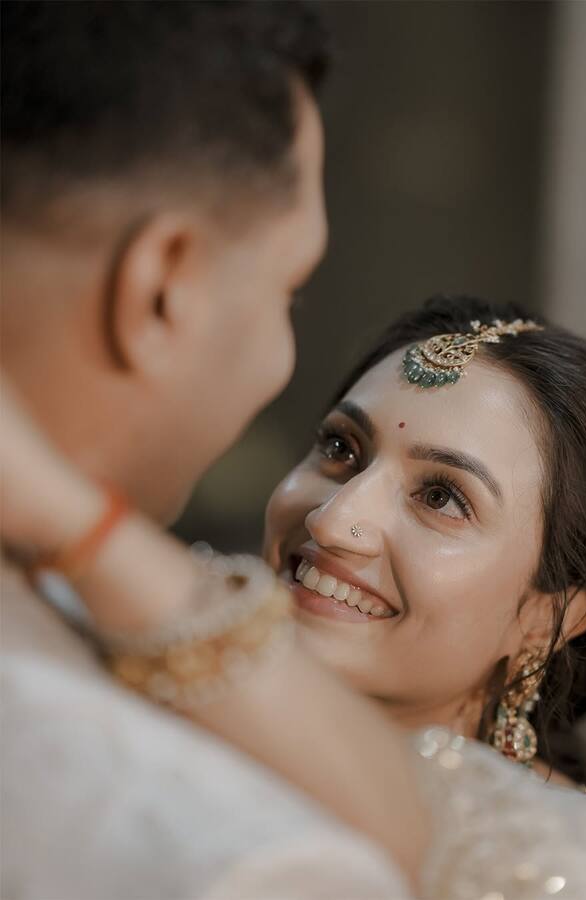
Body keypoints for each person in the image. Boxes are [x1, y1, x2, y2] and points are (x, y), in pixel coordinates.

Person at [3, 298, 586, 898]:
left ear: (547, 617)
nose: (332, 520)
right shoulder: (116, 678)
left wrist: (81, 524)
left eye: (442, 497)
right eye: (341, 449)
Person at [0, 3, 416, 898]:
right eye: (290, 289)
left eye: (444, 498)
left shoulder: (95, 595)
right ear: (164, 286)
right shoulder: (240, 852)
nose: (341, 522)